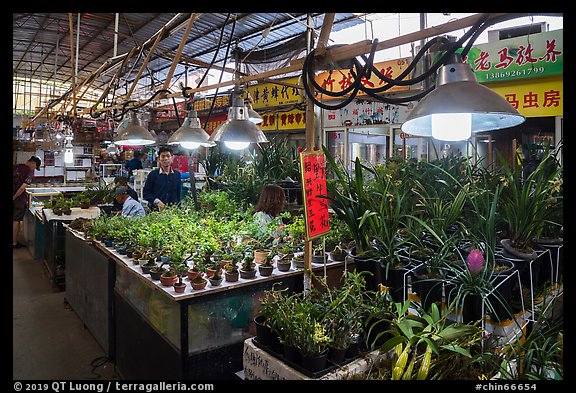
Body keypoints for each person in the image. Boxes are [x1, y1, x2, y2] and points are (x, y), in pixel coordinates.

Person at [13, 156, 41, 248]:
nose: (34, 169)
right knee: (16, 221)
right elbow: (22, 188)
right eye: (35, 166)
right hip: (19, 200)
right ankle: (14, 243)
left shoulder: (16, 167)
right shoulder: (29, 170)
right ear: (33, 163)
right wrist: (14, 197)